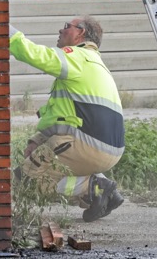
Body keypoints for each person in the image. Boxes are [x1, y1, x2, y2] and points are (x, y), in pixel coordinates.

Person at [9, 16, 126, 222]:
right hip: (105, 150)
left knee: (25, 183)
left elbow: (36, 55)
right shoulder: (95, 63)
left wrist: (3, 30)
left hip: (86, 146)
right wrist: (37, 140)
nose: (60, 31)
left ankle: (93, 188)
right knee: (44, 171)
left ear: (80, 33)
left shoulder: (77, 56)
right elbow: (64, 115)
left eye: (66, 27)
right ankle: (98, 186)